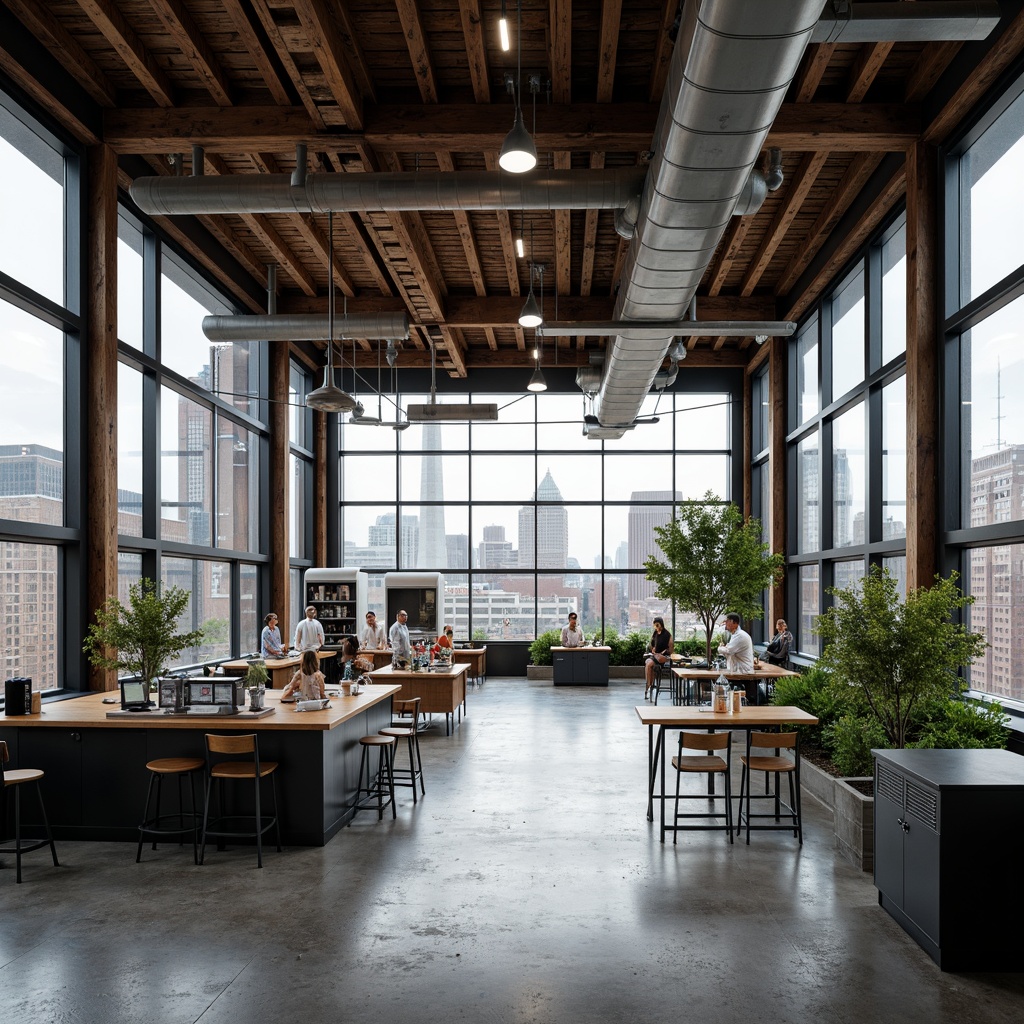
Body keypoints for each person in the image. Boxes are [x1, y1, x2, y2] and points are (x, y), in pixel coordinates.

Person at [644, 616, 673, 699]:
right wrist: (652, 649)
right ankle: (649, 685)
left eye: (658, 625)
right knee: (649, 664)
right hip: (655, 655)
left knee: (649, 664)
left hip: (662, 657)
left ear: (661, 624)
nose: (656, 627)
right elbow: (652, 644)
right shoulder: (655, 633)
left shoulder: (667, 634)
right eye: (655, 625)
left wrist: (663, 652)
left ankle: (648, 686)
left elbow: (670, 649)